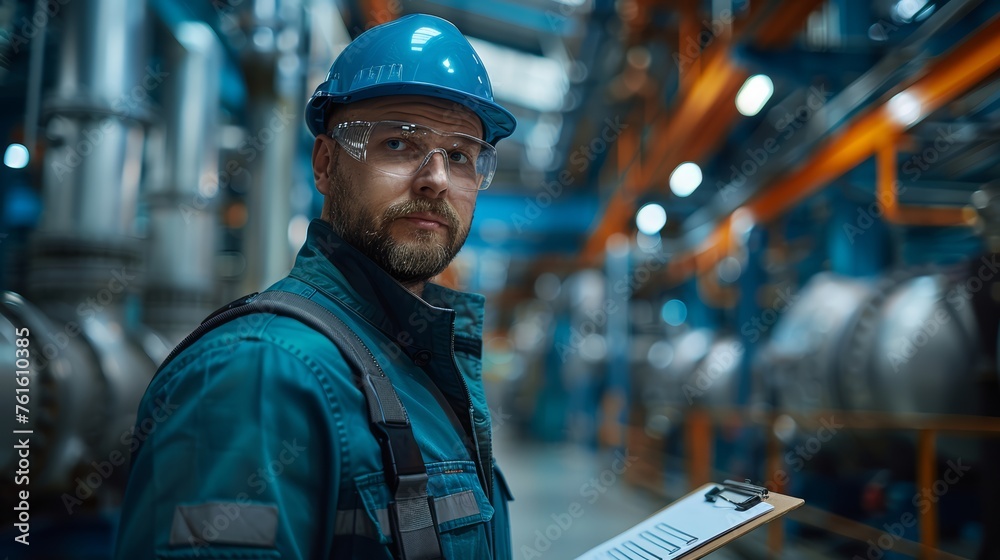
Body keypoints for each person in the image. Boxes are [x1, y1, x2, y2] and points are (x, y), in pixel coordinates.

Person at [114, 13, 517, 560]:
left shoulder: (420, 362)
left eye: (461, 155)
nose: (436, 178)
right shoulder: (257, 372)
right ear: (326, 165)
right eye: (398, 143)